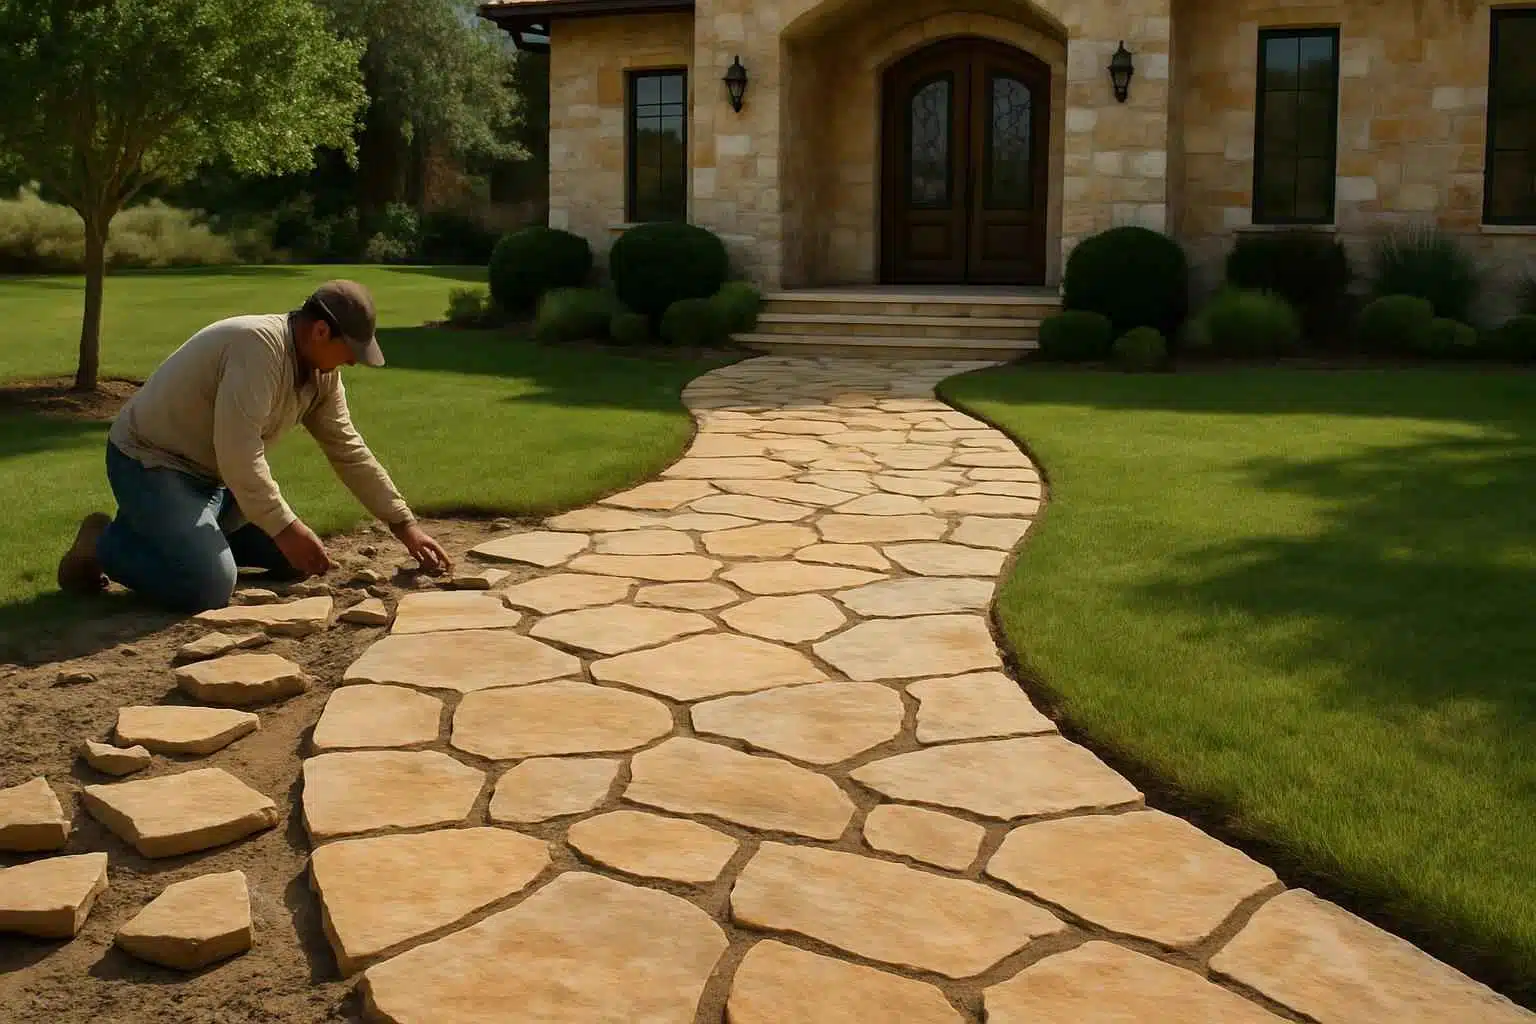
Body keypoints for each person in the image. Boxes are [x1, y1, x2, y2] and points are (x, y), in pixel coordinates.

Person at [56, 280, 452, 612]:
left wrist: (405, 526)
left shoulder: (321, 373)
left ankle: (190, 538)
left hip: (213, 480)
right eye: (349, 350)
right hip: (151, 463)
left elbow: (348, 449)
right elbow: (239, 453)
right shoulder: (257, 349)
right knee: (209, 586)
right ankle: (106, 543)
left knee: (297, 561)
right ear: (320, 332)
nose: (351, 362)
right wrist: (284, 526)